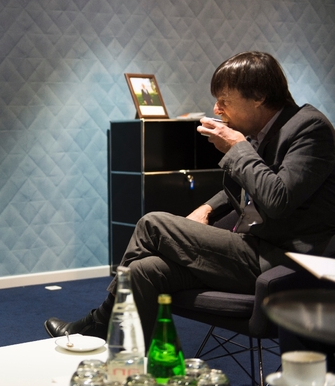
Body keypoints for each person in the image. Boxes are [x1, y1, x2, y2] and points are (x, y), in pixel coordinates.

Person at [44, 51, 335, 348]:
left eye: (225, 101)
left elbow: (278, 198)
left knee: (152, 224)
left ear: (258, 96)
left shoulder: (309, 128)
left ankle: (102, 321)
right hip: (253, 246)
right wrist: (207, 208)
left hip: (281, 259)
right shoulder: (261, 132)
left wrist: (238, 149)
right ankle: (139, 368)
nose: (217, 109)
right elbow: (247, 186)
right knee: (145, 271)